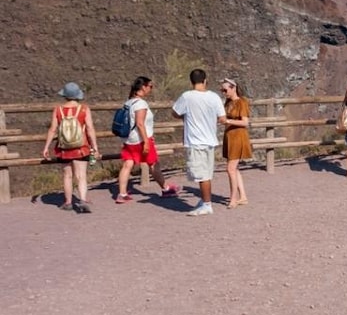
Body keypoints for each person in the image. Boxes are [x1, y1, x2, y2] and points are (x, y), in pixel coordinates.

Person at [115, 76, 180, 204]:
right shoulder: (140, 104)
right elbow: (140, 123)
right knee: (153, 163)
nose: (151, 89)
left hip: (129, 139)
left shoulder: (128, 102)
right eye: (150, 86)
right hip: (141, 139)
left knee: (127, 164)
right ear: (143, 87)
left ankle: (122, 193)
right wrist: (145, 141)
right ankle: (165, 189)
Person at [172, 68, 227, 216]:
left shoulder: (187, 97)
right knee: (206, 173)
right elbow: (222, 117)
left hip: (196, 141)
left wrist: (187, 117)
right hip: (210, 140)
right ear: (205, 80)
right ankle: (204, 201)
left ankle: (207, 204)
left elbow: (175, 112)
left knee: (202, 175)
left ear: (191, 81)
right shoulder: (214, 97)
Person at [41, 82, 99, 213]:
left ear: (65, 95)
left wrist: (46, 147)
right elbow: (90, 129)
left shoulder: (58, 109)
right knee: (81, 175)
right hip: (81, 147)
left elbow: (52, 129)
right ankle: (83, 200)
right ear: (77, 95)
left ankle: (68, 202)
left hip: (64, 147)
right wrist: (94, 146)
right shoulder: (84, 109)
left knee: (67, 175)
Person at [219, 78, 251, 208]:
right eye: (222, 90)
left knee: (230, 168)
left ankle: (234, 198)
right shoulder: (228, 103)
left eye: (225, 90)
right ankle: (242, 196)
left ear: (233, 88)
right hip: (230, 136)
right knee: (234, 168)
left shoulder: (242, 102)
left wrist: (228, 122)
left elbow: (245, 122)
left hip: (238, 137)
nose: (223, 92)